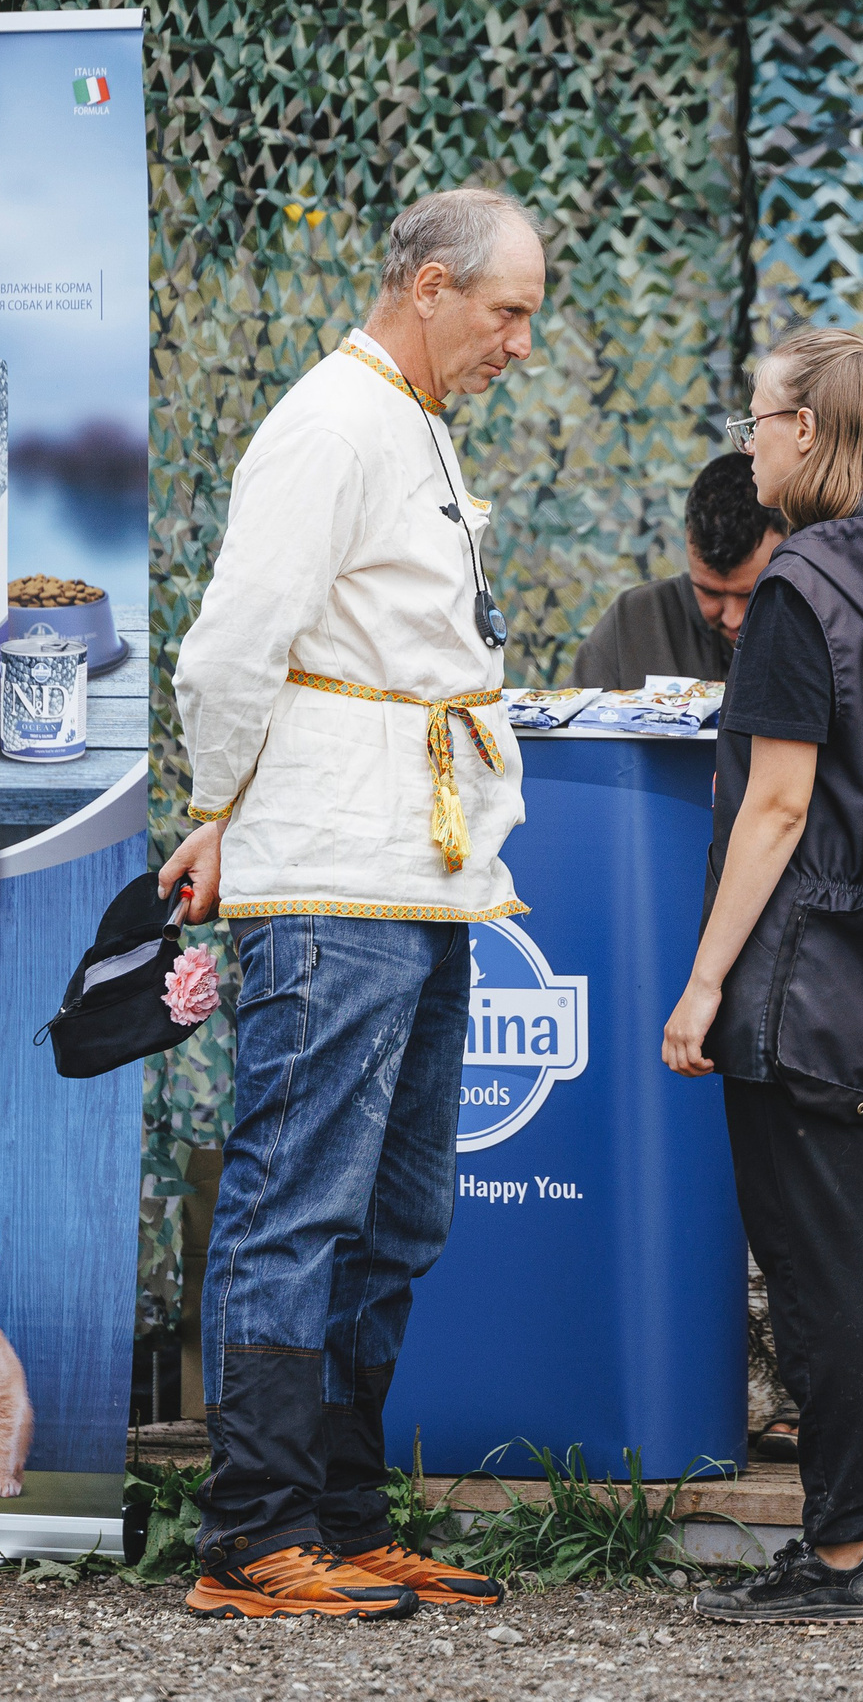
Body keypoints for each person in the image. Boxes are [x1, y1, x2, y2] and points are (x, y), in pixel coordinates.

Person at [157, 188, 544, 1618]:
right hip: (333, 867)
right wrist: (216, 810)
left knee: (396, 1210)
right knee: (295, 1196)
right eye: (507, 312)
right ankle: (251, 1532)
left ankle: (339, 1507)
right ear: (431, 285)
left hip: (418, 868)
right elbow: (230, 647)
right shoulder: (330, 418)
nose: (518, 343)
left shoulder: (411, 420)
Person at [663, 328, 863, 1624]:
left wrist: (702, 984)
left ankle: (844, 1548)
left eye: (760, 415)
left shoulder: (803, 589)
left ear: (810, 430)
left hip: (805, 974)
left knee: (824, 1273)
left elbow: (778, 807)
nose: (749, 439)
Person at [571, 451, 786, 687]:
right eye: (709, 592)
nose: (733, 619)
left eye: (751, 594)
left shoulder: (823, 626)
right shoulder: (631, 625)